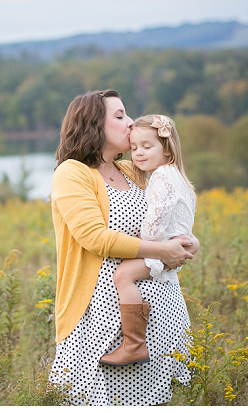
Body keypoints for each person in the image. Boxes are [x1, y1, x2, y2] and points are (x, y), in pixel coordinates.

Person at [48, 90, 199, 405]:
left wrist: (187, 240)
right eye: (119, 116)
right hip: (101, 319)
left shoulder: (134, 170)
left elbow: (169, 210)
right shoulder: (73, 173)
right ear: (94, 126)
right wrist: (162, 252)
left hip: (161, 312)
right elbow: (96, 239)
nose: (130, 123)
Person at [99, 114, 197, 366]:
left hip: (160, 247)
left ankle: (133, 344)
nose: (138, 153)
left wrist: (145, 243)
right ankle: (136, 342)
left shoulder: (161, 177)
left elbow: (156, 216)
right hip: (176, 242)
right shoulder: (177, 175)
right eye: (133, 148)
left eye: (147, 146)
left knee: (122, 275)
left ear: (166, 148)